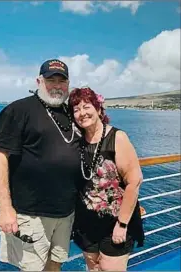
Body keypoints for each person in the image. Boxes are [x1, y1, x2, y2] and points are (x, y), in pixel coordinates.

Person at [0, 59, 81, 271]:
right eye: (51, 80)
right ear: (39, 81)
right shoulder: (18, 110)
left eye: (61, 80)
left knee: (55, 264)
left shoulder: (71, 113)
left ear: (68, 84)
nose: (56, 85)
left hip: (66, 212)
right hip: (31, 214)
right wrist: (5, 208)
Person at [68, 87, 144, 271]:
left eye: (87, 107)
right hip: (86, 223)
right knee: (93, 267)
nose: (82, 113)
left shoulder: (117, 138)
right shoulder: (76, 141)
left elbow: (134, 181)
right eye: (76, 110)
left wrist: (122, 224)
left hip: (115, 222)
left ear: (99, 109)